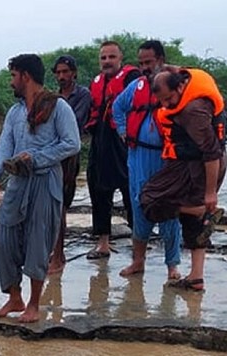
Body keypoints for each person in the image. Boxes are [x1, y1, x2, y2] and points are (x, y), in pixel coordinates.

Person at [0, 53, 80, 323]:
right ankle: (14, 297)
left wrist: (36, 157)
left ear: (25, 76)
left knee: (39, 240)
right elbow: (5, 143)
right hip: (17, 181)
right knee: (6, 235)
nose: (10, 82)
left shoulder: (58, 108)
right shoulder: (15, 112)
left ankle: (34, 305)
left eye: (13, 76)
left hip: (45, 180)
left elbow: (71, 143)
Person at [140, 67, 227, 293]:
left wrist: (210, 193)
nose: (167, 105)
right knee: (192, 224)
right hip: (186, 162)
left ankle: (199, 210)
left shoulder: (192, 111)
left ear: (180, 87)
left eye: (169, 99)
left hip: (200, 167)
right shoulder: (182, 80)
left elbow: (211, 152)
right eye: (162, 101)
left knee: (150, 199)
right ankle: (196, 278)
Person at [112, 39, 183, 279]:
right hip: (138, 156)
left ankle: (172, 265)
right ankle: (138, 261)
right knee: (139, 205)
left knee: (169, 210)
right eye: (140, 62)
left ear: (161, 61)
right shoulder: (137, 87)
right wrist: (122, 129)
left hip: (168, 158)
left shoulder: (178, 86)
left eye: (148, 62)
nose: (144, 67)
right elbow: (117, 107)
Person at [85, 40, 140, 260]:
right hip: (100, 141)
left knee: (130, 193)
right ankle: (103, 243)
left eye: (111, 57)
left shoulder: (132, 79)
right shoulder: (96, 82)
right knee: (98, 192)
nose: (107, 62)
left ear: (121, 59)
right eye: (103, 58)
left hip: (123, 141)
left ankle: (139, 243)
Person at [49, 54, 91, 274]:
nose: (62, 76)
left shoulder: (82, 95)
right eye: (58, 72)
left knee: (61, 208)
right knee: (50, 207)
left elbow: (74, 124)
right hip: (53, 157)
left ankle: (58, 255)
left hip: (69, 159)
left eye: (66, 72)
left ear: (74, 73)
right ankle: (55, 252)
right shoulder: (54, 97)